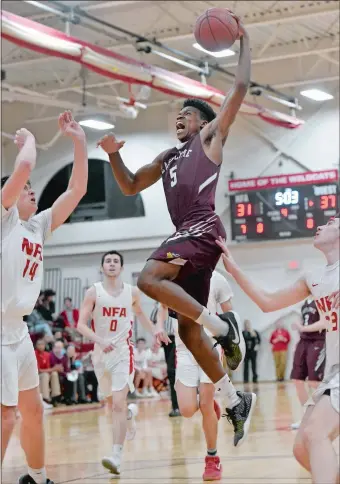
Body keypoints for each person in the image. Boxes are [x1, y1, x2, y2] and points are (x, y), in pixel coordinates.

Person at [97, 12, 256, 445]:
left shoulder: (210, 140)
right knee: (187, 328)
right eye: (178, 116)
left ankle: (224, 328)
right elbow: (130, 186)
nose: (180, 119)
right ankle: (233, 398)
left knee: (148, 278)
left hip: (201, 228)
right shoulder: (167, 156)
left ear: (204, 123)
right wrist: (112, 154)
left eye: (188, 115)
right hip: (186, 235)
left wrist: (243, 40)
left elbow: (239, 88)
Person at [216, 213, 339, 484]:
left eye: (331, 223)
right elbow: (268, 302)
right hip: (332, 373)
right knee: (301, 449)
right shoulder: (314, 277)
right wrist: (233, 268)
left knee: (316, 434)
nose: (320, 225)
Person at [1, 111, 88, 484]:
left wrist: (79, 142)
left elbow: (77, 191)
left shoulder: (36, 226)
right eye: (26, 188)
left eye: (32, 187)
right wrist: (29, 140)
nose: (32, 190)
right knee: (6, 416)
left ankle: (37, 477)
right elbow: (23, 164)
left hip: (18, 333)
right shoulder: (4, 218)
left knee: (32, 410)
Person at [77, 250, 170, 476]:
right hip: (101, 353)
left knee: (117, 402)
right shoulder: (94, 292)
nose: (111, 264)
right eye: (108, 261)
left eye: (115, 261)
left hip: (122, 353)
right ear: (102, 267)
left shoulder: (132, 293)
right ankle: (129, 415)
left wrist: (155, 332)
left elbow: (141, 316)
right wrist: (100, 340)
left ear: (121, 268)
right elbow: (81, 325)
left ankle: (116, 455)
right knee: (112, 403)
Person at [157, 270, 245, 481]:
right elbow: (162, 305)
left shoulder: (217, 278)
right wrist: (159, 326)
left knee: (205, 404)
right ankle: (210, 407)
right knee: (186, 410)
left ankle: (212, 458)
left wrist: (232, 342)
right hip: (183, 348)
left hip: (210, 345)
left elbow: (229, 313)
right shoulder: (172, 276)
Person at [290, 298, 325, 430]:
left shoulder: (321, 300)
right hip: (303, 341)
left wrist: (303, 327)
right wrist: (300, 328)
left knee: (314, 382)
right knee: (297, 380)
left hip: (317, 341)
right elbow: (303, 321)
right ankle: (307, 417)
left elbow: (324, 323)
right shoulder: (305, 303)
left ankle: (323, 417)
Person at [150, 302, 180, 417]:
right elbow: (153, 321)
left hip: (179, 339)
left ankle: (180, 405)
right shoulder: (158, 304)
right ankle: (175, 406)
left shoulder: (179, 298)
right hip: (167, 341)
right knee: (171, 373)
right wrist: (156, 338)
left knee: (174, 372)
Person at [34, 339, 62, 407]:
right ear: (36, 346)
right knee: (45, 375)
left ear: (45, 346)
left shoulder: (47, 354)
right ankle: (45, 398)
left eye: (42, 344)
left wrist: (54, 369)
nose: (41, 346)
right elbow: (39, 370)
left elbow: (48, 368)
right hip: (36, 375)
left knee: (54, 374)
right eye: (39, 344)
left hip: (45, 372)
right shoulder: (34, 354)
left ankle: (55, 396)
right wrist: (53, 369)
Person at [242, 320, 261, 384]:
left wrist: (254, 336)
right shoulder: (243, 333)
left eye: (248, 324)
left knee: (254, 365)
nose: (247, 325)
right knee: (246, 366)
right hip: (246, 352)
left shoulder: (254, 332)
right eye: (246, 324)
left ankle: (255, 379)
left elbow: (258, 340)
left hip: (253, 352)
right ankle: (245, 380)